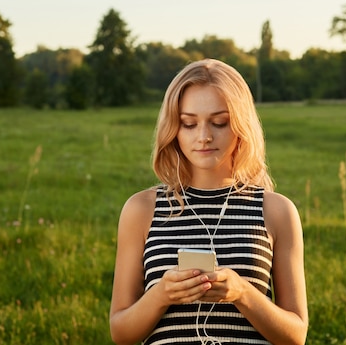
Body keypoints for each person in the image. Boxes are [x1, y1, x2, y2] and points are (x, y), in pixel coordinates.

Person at [109, 59, 308, 345]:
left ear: (240, 125)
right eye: (189, 124)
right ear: (174, 129)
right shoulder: (142, 210)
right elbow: (121, 334)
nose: (203, 137)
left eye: (219, 122)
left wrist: (242, 293)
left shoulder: (276, 211)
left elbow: (296, 335)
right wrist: (161, 295)